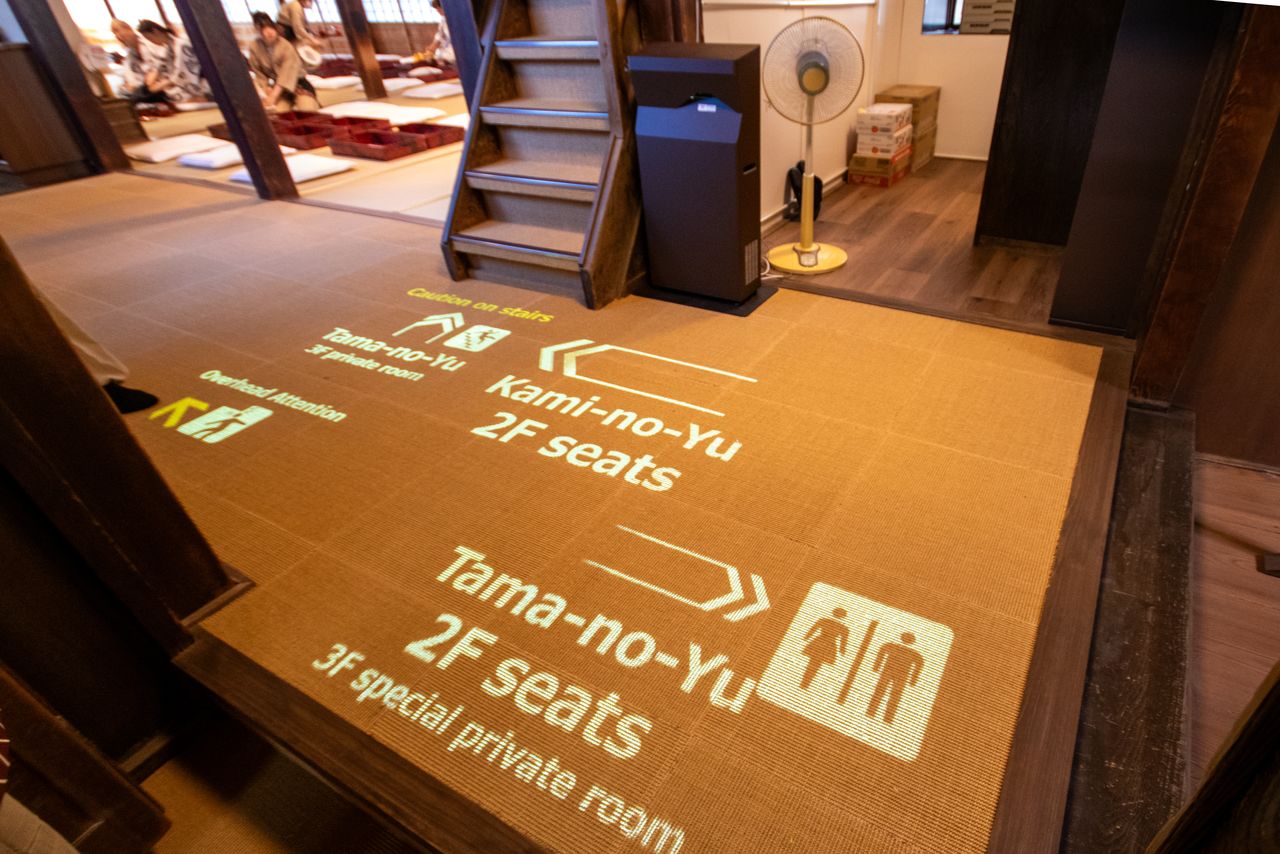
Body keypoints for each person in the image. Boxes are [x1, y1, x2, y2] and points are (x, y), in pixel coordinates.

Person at [248, 12, 318, 112]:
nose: (269, 31)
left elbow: (286, 74)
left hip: (298, 85)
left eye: (270, 27)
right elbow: (259, 74)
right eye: (263, 28)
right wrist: (265, 90)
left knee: (307, 111)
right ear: (258, 30)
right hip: (280, 91)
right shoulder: (255, 47)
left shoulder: (285, 46)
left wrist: (273, 96)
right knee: (277, 113)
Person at [136, 20, 211, 104]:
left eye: (149, 38)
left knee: (168, 95)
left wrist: (160, 85)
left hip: (200, 82)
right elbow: (163, 68)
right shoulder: (169, 47)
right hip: (181, 82)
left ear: (156, 31)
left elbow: (182, 73)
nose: (150, 41)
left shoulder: (181, 45)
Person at [798, 607, 850, 690]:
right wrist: (842, 650)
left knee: (813, 663)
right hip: (828, 645)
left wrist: (806, 637)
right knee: (816, 664)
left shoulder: (824, 621)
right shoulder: (843, 627)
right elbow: (843, 641)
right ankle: (805, 683)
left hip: (820, 642)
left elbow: (812, 629)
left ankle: (805, 683)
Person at [428, 0, 454, 66]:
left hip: (454, 52)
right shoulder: (443, 20)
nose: (437, 11)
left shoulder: (456, 19)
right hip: (445, 51)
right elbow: (439, 35)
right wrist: (433, 46)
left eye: (438, 8)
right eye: (436, 9)